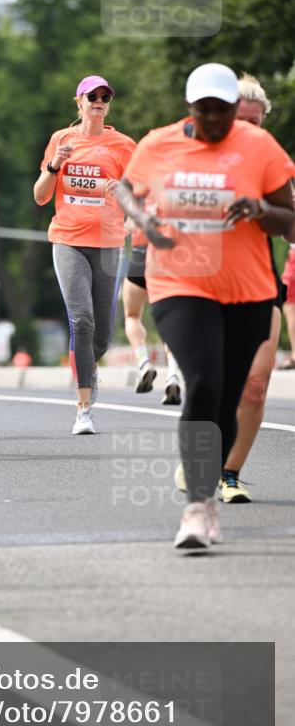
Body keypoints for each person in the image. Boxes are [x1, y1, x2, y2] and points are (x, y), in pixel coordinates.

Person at [117, 63, 295, 551]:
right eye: (204, 110)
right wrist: (143, 219)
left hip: (248, 291)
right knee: (203, 381)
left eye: (223, 110)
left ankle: (215, 481)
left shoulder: (259, 147)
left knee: (229, 395)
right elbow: (124, 190)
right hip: (179, 283)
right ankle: (197, 506)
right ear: (189, 108)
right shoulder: (159, 143)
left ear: (237, 110)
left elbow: (291, 221)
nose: (214, 119)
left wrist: (261, 211)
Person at [34, 75, 136, 434]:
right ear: (78, 102)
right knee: (82, 319)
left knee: (103, 336)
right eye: (91, 96)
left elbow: (139, 198)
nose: (98, 101)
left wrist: (122, 189)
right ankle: (83, 408)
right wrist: (54, 166)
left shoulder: (124, 145)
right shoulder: (61, 140)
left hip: (109, 244)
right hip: (68, 240)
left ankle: (88, 370)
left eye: (105, 96)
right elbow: (41, 196)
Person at [206, 74, 285, 501]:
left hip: (260, 282)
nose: (251, 130)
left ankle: (230, 473)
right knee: (213, 381)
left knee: (256, 384)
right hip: (203, 282)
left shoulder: (272, 163)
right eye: (244, 121)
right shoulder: (199, 157)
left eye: (258, 123)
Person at [123, 224, 182, 404]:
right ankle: (173, 373)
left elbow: (128, 224)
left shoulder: (136, 195)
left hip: (140, 254)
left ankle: (144, 363)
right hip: (169, 257)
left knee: (132, 315)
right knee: (170, 319)